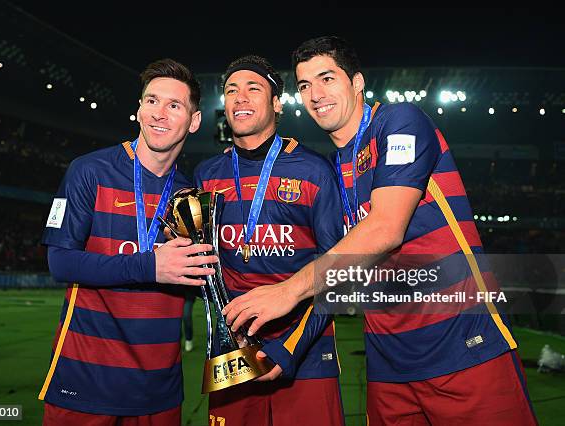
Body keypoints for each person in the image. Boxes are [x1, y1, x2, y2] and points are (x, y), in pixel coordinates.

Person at [223, 37, 538, 425]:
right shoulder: (333, 168)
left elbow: (386, 228)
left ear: (356, 83)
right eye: (305, 86)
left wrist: (287, 291)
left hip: (464, 345)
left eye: (326, 78)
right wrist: (285, 347)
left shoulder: (400, 121)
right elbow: (341, 271)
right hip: (387, 364)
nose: (315, 94)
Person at [39, 58, 218, 426]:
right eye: (151, 101)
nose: (159, 114)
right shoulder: (89, 170)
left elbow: (201, 277)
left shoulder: (189, 197)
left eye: (174, 105)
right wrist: (150, 264)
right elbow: (59, 262)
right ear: (138, 109)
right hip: (85, 382)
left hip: (159, 391)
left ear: (195, 121)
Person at [194, 55, 345, 426]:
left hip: (306, 350)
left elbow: (339, 271)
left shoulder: (314, 169)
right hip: (232, 354)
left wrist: (288, 347)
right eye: (231, 90)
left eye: (253, 88)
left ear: (277, 104)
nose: (240, 98)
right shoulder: (206, 176)